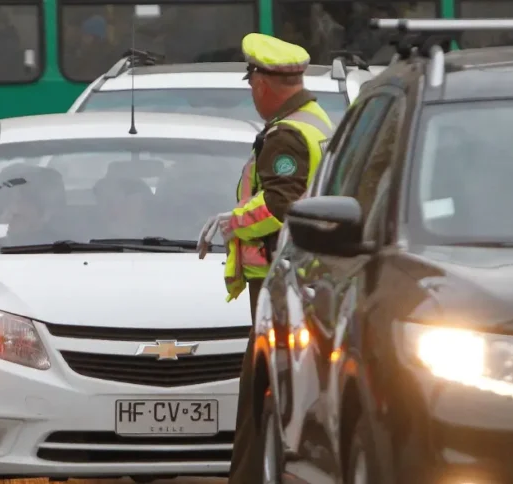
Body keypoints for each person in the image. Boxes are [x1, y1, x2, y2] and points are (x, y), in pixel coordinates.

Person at [197, 33, 334, 482]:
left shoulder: (287, 134)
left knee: (259, 394)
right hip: (302, 275)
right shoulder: (315, 119)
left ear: (261, 82)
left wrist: (232, 221)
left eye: (252, 80)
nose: (252, 91)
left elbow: (279, 204)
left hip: (278, 280)